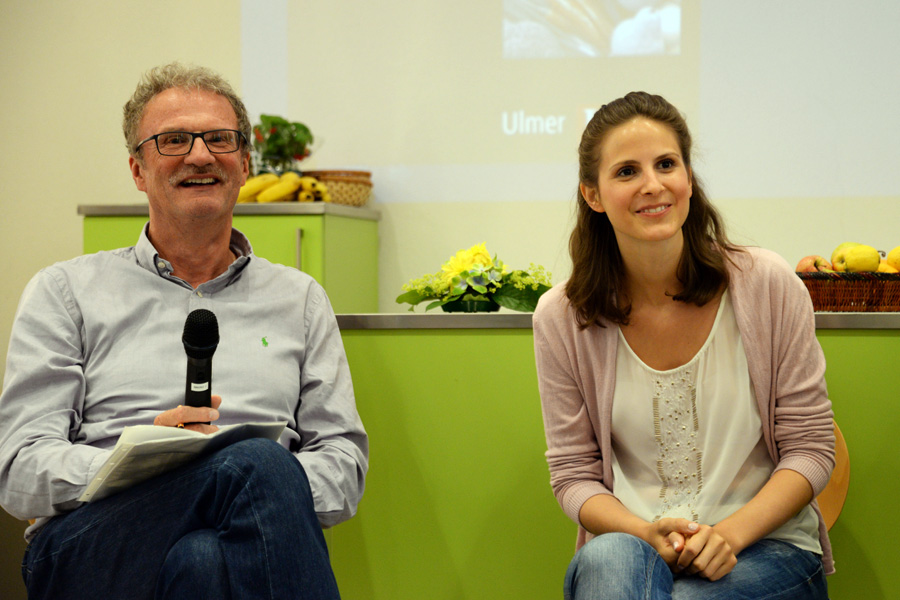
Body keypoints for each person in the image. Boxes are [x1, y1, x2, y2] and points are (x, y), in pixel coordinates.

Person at [0, 63, 368, 599]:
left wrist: (257, 493)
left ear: (243, 163)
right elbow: (19, 469)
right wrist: (142, 462)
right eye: (174, 140)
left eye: (219, 139)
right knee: (256, 463)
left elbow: (342, 463)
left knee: (205, 560)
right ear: (137, 169)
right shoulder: (66, 291)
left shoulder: (300, 298)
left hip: (246, 540)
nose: (200, 155)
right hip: (89, 543)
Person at [533, 91, 834, 599]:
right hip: (635, 549)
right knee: (607, 555)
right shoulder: (562, 316)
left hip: (767, 548)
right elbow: (572, 476)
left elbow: (811, 449)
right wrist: (641, 531)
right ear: (593, 195)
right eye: (626, 171)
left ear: (689, 179)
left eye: (666, 164)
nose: (652, 185)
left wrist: (728, 535)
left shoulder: (766, 283)